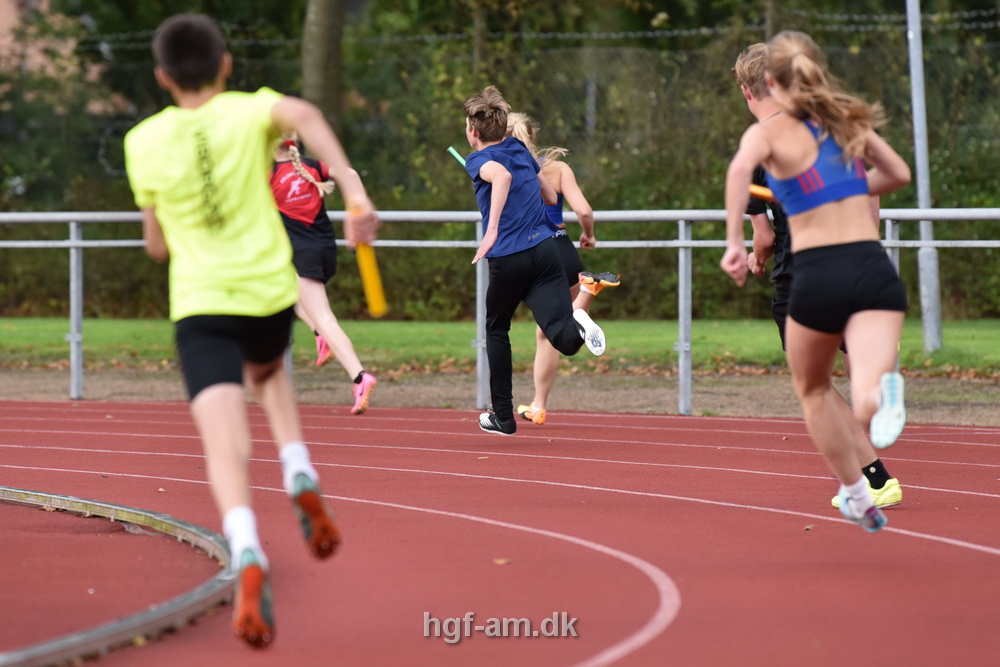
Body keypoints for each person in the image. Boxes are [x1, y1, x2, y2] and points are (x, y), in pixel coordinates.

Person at [124, 13, 379, 648]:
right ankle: (298, 471)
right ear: (226, 65)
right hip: (266, 292)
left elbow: (155, 247)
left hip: (201, 304)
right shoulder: (250, 113)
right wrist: (353, 191)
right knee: (268, 378)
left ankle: (244, 546)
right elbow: (309, 115)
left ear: (161, 76)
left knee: (221, 436)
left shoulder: (144, 142)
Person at [722, 31, 910, 533]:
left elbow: (739, 172)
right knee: (864, 379)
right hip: (874, 267)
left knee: (813, 386)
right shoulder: (842, 118)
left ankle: (856, 491)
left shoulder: (765, 136)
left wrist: (734, 244)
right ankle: (882, 395)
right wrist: (840, 187)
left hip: (815, 272)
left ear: (757, 86)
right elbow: (897, 174)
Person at [463, 85, 607, 436]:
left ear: (474, 132)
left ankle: (503, 417)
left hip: (509, 257)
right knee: (562, 336)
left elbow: (502, 176)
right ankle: (582, 317)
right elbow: (549, 193)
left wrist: (492, 228)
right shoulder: (517, 148)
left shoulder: (478, 159)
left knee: (497, 328)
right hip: (544, 252)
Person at [505, 111, 621, 426]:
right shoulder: (557, 169)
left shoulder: (500, 171)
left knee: (545, 328)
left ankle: (586, 292)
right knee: (547, 332)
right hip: (564, 251)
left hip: (530, 254)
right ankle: (538, 405)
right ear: (534, 135)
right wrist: (589, 234)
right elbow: (583, 209)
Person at [271, 135, 377, 415]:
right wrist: (357, 209)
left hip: (303, 255)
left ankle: (359, 376)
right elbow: (350, 174)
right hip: (326, 251)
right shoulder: (314, 166)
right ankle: (320, 336)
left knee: (325, 317)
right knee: (286, 293)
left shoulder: (268, 176)